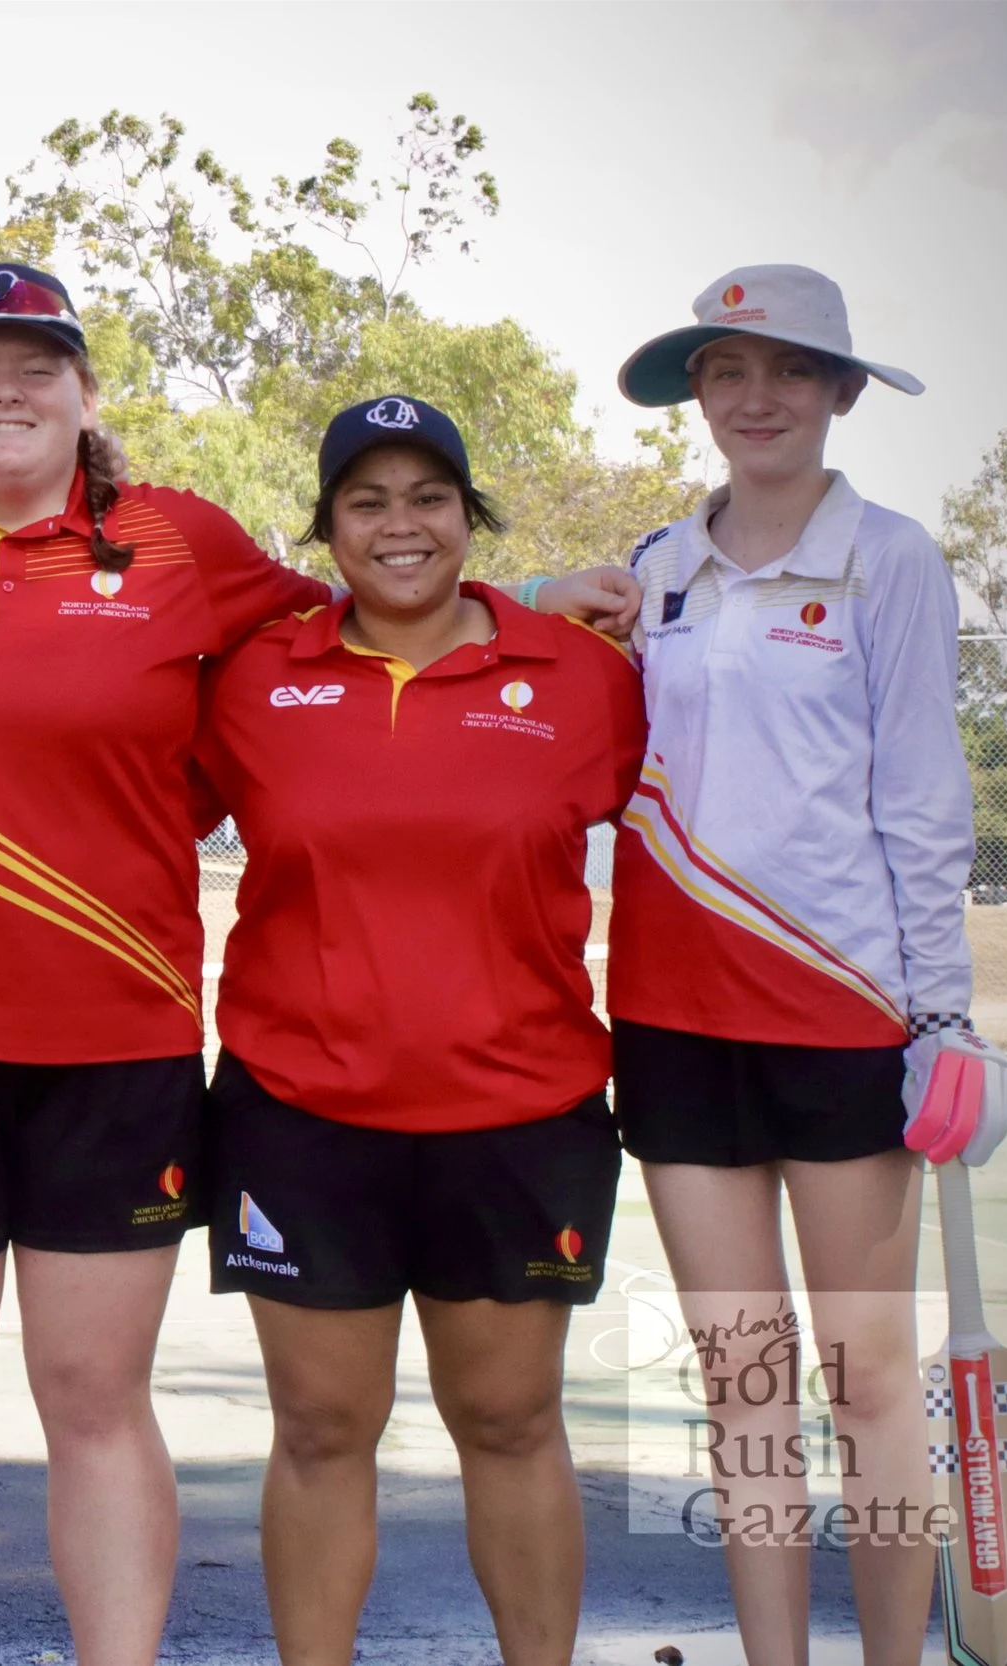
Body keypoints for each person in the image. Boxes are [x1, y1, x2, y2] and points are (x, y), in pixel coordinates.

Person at [0, 262, 637, 1666]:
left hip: (119, 1046)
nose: (4, 388)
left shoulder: (180, 543)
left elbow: (363, 592)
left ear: (85, 392)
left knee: (96, 1397)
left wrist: (541, 590)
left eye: (36, 364)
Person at [193, 395, 646, 1666]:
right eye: (367, 502)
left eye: (427, 498)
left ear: (467, 515)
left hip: (519, 1113)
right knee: (323, 1430)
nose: (400, 526)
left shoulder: (587, 681)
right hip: (302, 1115)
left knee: (508, 1421)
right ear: (329, 527)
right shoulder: (252, 679)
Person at [610, 265, 995, 1666]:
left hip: (841, 1016)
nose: (753, 397)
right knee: (742, 1378)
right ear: (698, 394)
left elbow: (923, 798)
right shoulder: (653, 568)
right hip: (669, 1014)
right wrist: (530, 591)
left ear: (840, 391)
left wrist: (943, 1014)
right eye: (726, 370)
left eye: (785, 370)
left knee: (868, 1375)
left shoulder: (891, 558)